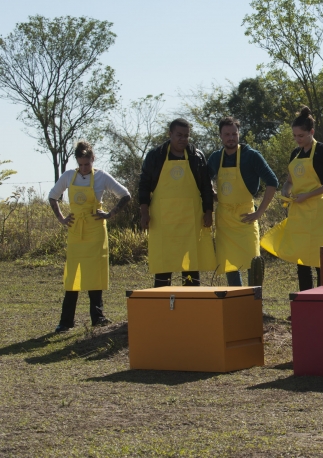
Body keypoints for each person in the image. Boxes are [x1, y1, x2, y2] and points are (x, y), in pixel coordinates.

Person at [48, 141, 131, 332]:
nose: (84, 168)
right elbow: (53, 196)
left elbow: (125, 195)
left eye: (87, 164)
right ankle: (65, 321)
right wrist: (61, 218)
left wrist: (110, 214)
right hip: (76, 231)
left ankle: (98, 317)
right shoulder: (69, 176)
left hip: (95, 230)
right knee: (73, 275)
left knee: (95, 272)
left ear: (93, 159)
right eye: (81, 164)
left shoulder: (101, 176)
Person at [261, 107, 323, 291]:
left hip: (317, 212)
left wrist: (308, 195)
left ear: (312, 132)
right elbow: (289, 181)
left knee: (320, 260)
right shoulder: (295, 154)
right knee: (301, 259)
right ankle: (305, 302)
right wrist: (285, 191)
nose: (297, 139)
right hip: (298, 213)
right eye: (295, 136)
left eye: (301, 135)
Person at [139, 118, 215, 287]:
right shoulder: (155, 156)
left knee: (191, 264)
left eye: (186, 136)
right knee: (163, 264)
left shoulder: (197, 156)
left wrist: (208, 211)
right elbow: (144, 185)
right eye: (179, 135)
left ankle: (191, 305)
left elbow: (206, 187)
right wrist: (144, 212)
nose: (183, 139)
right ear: (170, 134)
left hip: (191, 220)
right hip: (162, 221)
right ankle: (162, 307)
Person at [208, 116, 278, 286]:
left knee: (252, 262)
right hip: (224, 218)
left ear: (239, 134)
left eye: (234, 134)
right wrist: (213, 192)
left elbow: (272, 181)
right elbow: (204, 180)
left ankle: (254, 301)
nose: (231, 138)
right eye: (227, 134)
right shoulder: (216, 157)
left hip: (246, 217)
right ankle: (236, 300)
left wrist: (259, 212)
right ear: (220, 136)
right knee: (230, 264)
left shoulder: (251, 156)